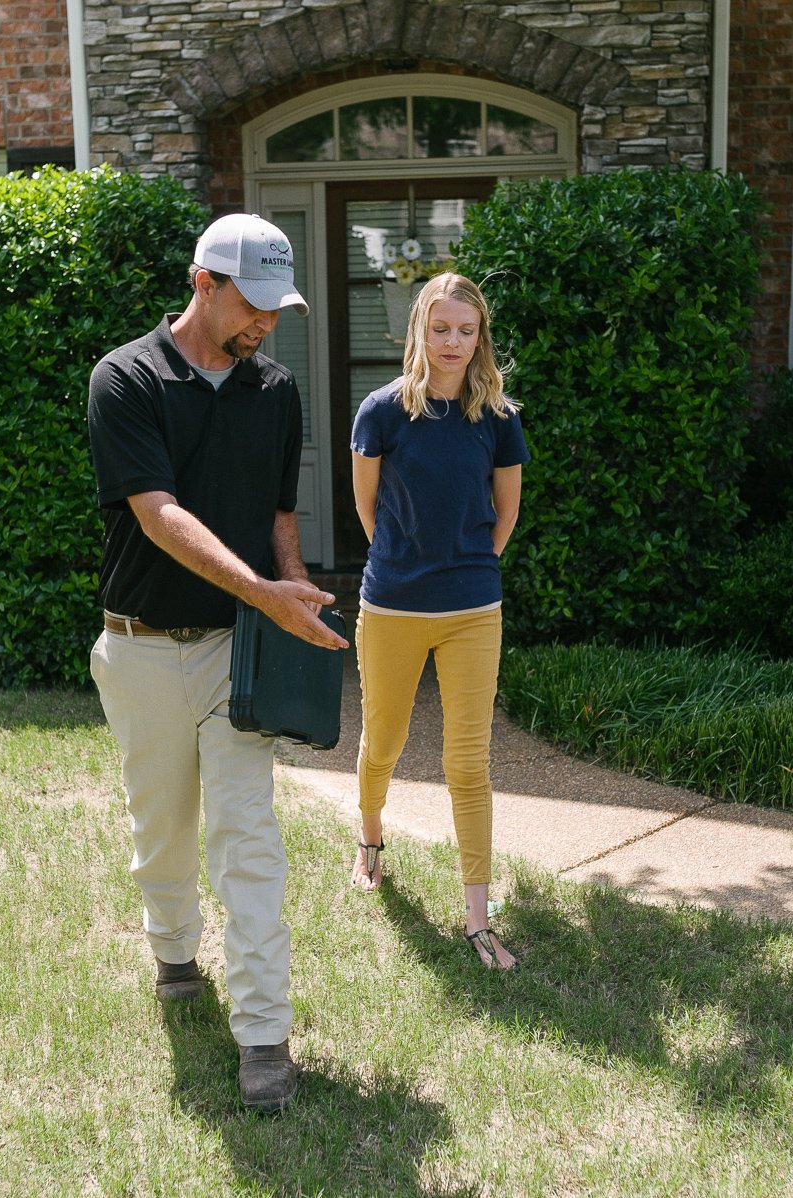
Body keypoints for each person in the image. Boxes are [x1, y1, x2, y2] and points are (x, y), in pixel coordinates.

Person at [86, 213, 348, 1113]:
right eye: (252, 304)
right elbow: (158, 517)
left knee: (250, 844)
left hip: (241, 653)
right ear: (203, 283)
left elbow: (279, 511)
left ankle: (265, 1038)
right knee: (161, 828)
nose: (266, 324)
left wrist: (294, 592)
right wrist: (263, 592)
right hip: (143, 649)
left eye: (279, 308)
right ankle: (172, 952)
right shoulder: (124, 379)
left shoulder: (274, 389)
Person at [348, 272, 529, 972]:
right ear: (420, 330)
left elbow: (506, 512)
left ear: (480, 336)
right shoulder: (382, 413)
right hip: (391, 603)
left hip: (473, 610)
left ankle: (478, 918)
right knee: (384, 740)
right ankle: (370, 839)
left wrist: (470, 568)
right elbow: (366, 507)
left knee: (468, 763)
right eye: (441, 327)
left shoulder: (499, 418)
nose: (453, 342)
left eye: (466, 329)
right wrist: (403, 561)